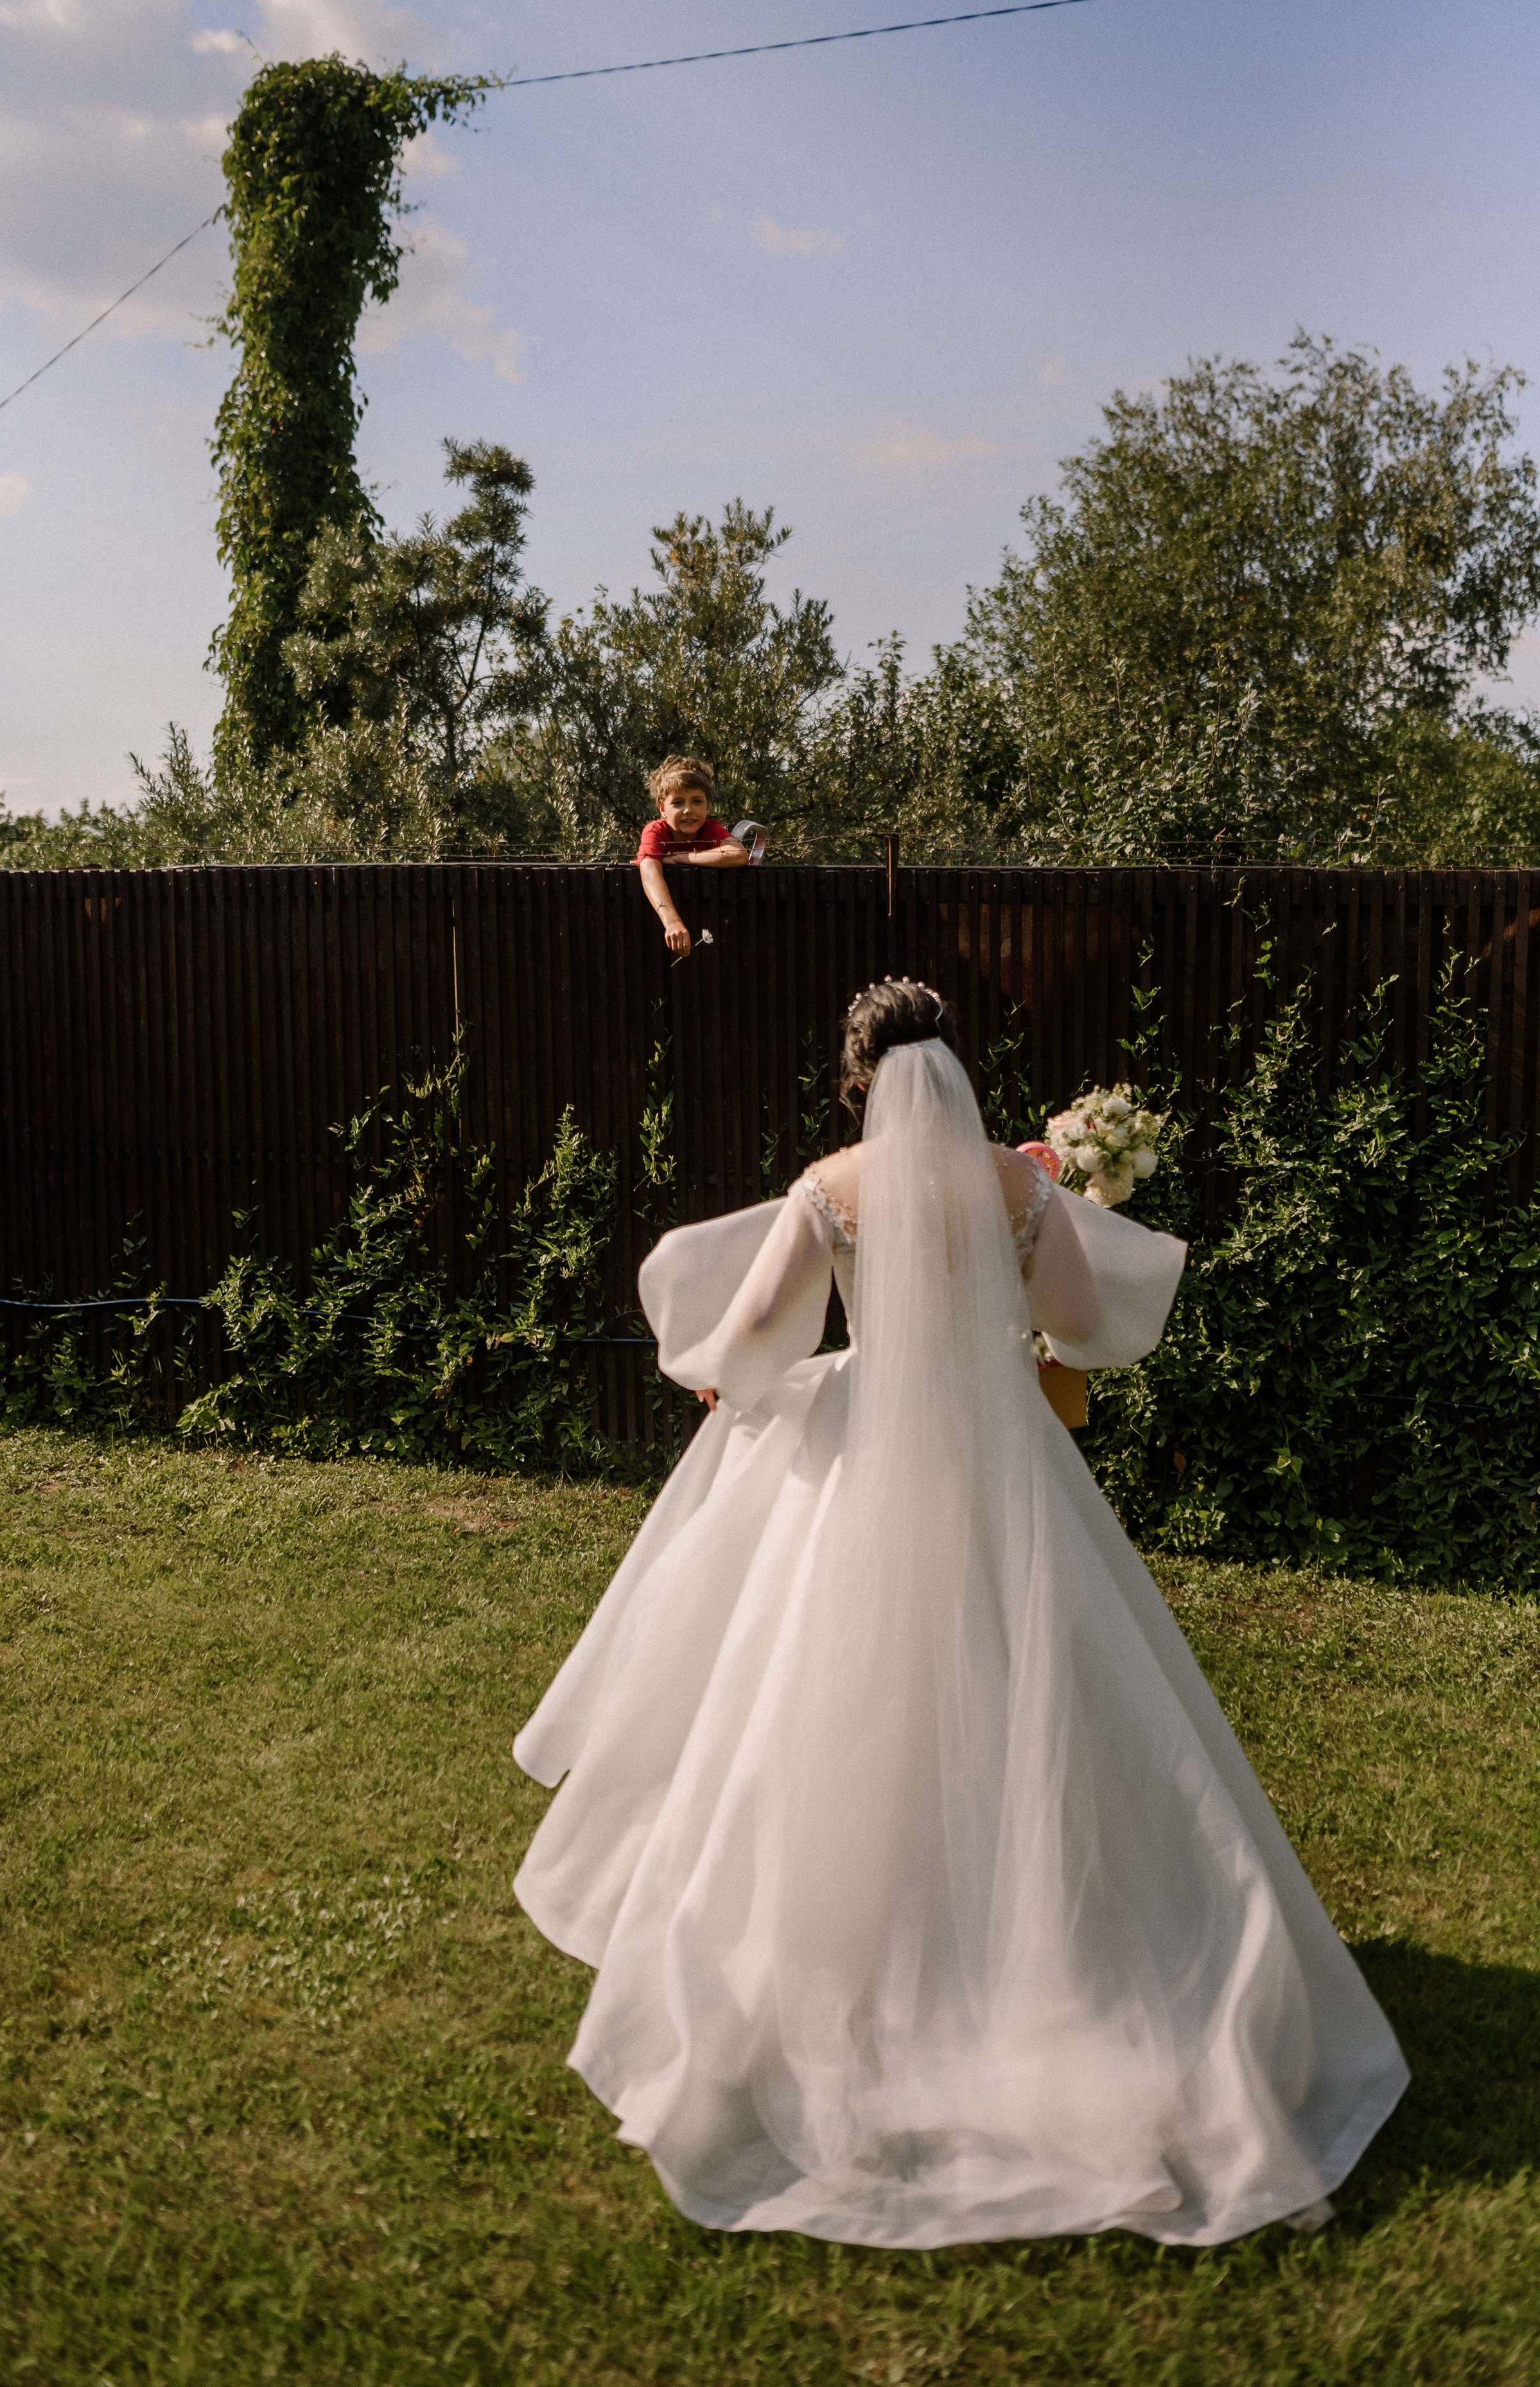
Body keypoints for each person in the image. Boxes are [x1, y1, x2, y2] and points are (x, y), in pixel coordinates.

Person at [512, 980, 1408, 2248]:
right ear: (957, 1071)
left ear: (855, 1074)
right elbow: (1082, 1328)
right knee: (1037, 1690)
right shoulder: (1017, 1185)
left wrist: (716, 1375)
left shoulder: (828, 1185)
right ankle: (1055, 1947)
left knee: (828, 1701)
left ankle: (851, 1955)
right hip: (1004, 1467)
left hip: (863, 1461)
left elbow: (761, 1330)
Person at [636, 755, 750, 956]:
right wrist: (672, 922)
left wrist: (683, 857)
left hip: (708, 925)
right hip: (660, 928)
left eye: (697, 801)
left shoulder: (712, 829)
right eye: (678, 802)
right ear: (662, 808)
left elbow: (739, 855)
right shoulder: (655, 831)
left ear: (708, 806)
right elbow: (650, 873)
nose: (689, 810)